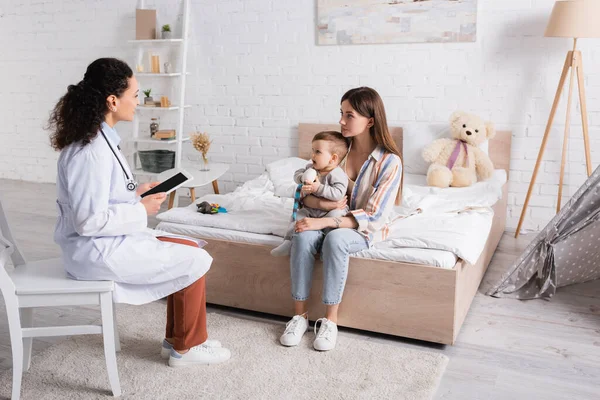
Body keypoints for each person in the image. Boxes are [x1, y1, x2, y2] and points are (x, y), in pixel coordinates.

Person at [49, 58, 230, 367]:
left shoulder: (102, 140)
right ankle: (187, 350)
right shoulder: (89, 152)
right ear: (112, 100)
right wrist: (141, 210)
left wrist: (137, 192)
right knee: (195, 259)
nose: (138, 102)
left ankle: (176, 341)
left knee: (191, 246)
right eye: (134, 95)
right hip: (93, 249)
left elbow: (103, 196)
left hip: (106, 239)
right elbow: (88, 221)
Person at [280, 87, 403, 351]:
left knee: (335, 241)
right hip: (323, 216)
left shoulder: (389, 162)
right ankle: (299, 316)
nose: (341, 121)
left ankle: (329, 321)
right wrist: (319, 206)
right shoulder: (336, 151)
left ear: (370, 121)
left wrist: (323, 221)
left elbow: (374, 216)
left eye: (349, 115)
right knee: (302, 234)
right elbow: (304, 192)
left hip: (360, 227)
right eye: (341, 113)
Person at [271, 131, 349, 257]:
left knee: (336, 216)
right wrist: (303, 177)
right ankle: (288, 241)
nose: (312, 155)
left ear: (333, 158)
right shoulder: (310, 168)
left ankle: (326, 244)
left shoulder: (337, 174)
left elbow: (339, 194)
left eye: (317, 152)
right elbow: (297, 174)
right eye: (312, 150)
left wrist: (318, 188)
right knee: (297, 216)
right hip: (311, 209)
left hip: (329, 211)